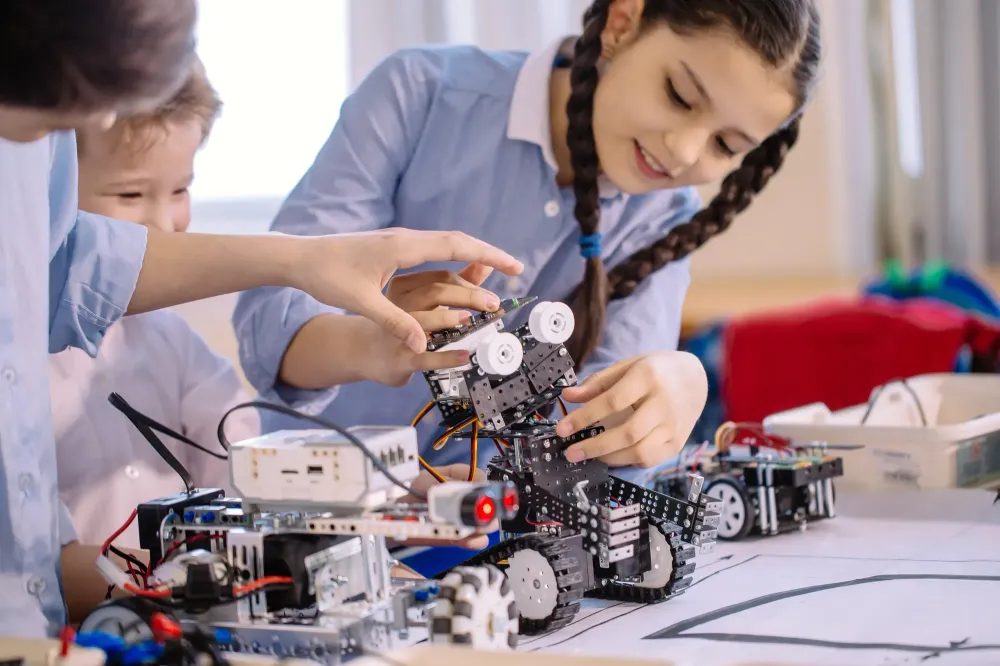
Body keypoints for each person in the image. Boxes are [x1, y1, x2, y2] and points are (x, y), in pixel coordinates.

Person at [0, 0, 521, 638]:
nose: (165, 222)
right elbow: (46, 569)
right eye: (131, 194)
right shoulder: (28, 360)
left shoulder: (171, 344)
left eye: (181, 188)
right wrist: (219, 575)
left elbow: (255, 468)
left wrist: (373, 499)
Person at [233, 0, 822, 477]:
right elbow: (270, 324)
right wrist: (375, 344)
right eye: (679, 95)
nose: (685, 150)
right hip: (317, 504)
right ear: (622, 22)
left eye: (725, 145)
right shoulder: (421, 94)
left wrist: (677, 385)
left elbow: (593, 435)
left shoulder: (664, 215)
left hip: (498, 545)